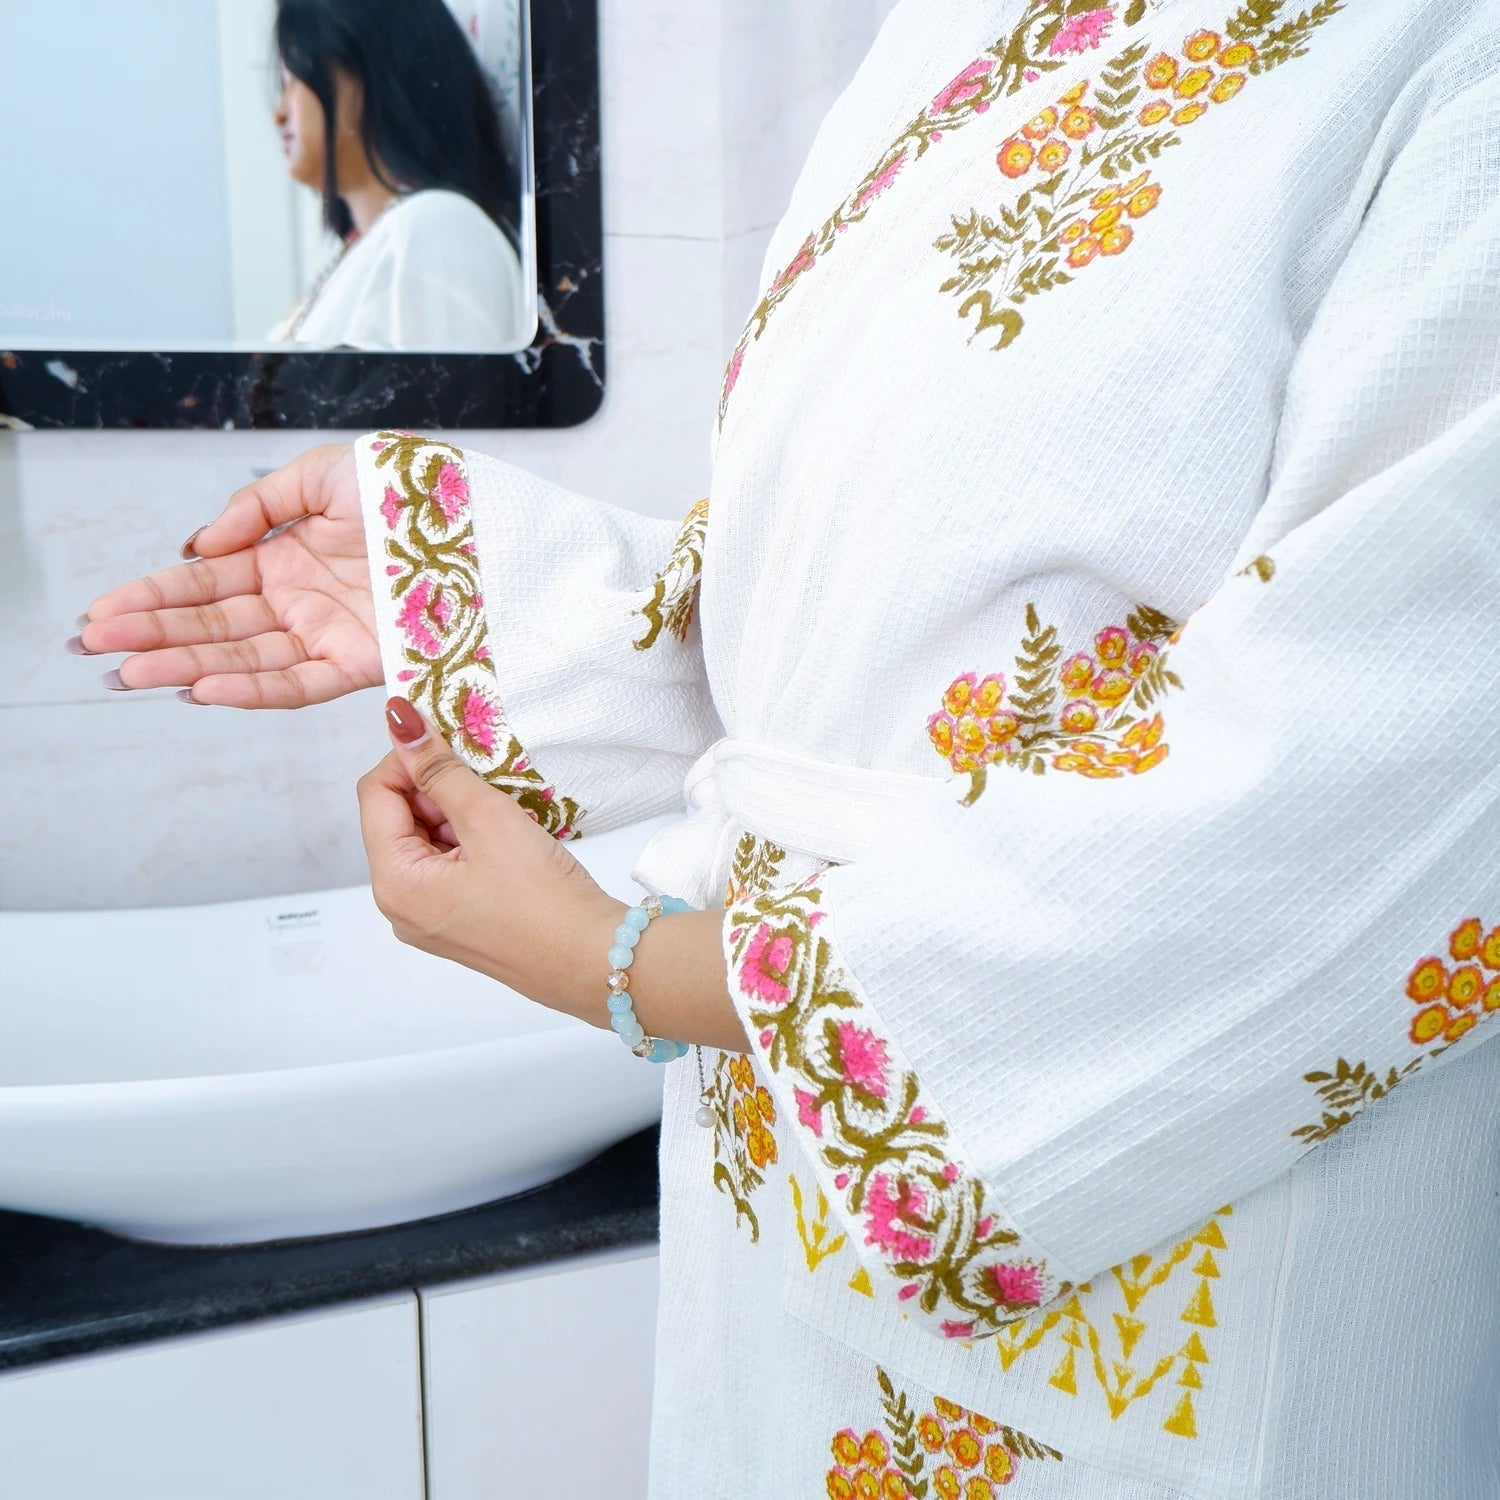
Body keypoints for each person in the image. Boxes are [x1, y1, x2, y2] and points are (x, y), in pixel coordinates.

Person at [72, 1, 1500, 1494]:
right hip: (778, 1199)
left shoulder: (1447, 50)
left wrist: (618, 964)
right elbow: (873, 606)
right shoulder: (936, 36)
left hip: (1163, 1232)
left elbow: (1393, 766)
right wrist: (465, 582)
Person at [265, 0, 531, 351]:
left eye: (292, 80)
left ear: (363, 69)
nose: (279, 114)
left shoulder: (438, 231)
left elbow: (456, 405)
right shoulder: (388, 245)